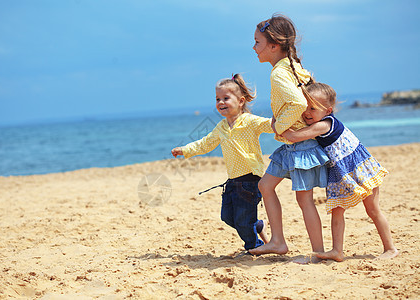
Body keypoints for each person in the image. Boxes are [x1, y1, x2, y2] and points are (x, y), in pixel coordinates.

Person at [281, 82, 399, 261]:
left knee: (373, 210)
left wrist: (278, 123)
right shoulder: (320, 121)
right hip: (340, 173)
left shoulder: (324, 125)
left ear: (328, 111)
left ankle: (390, 248)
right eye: (305, 107)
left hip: (359, 169)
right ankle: (337, 251)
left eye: (313, 108)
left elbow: (293, 136)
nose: (307, 112)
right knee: (337, 210)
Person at [249, 14, 330, 262]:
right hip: (292, 146)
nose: (254, 47)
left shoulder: (279, 73)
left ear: (274, 46)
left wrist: (280, 127)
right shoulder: (293, 67)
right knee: (265, 186)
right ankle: (278, 241)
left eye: (257, 42)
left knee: (304, 200)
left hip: (299, 145)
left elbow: (296, 101)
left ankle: (318, 252)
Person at [171, 74, 273, 251]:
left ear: (241, 101)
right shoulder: (222, 127)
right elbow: (206, 143)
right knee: (227, 216)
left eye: (226, 98)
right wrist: (185, 150)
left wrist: (287, 121)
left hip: (250, 179)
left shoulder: (249, 121)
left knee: (242, 220)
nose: (221, 102)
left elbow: (270, 125)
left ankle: (254, 247)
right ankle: (256, 226)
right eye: (218, 99)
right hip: (232, 180)